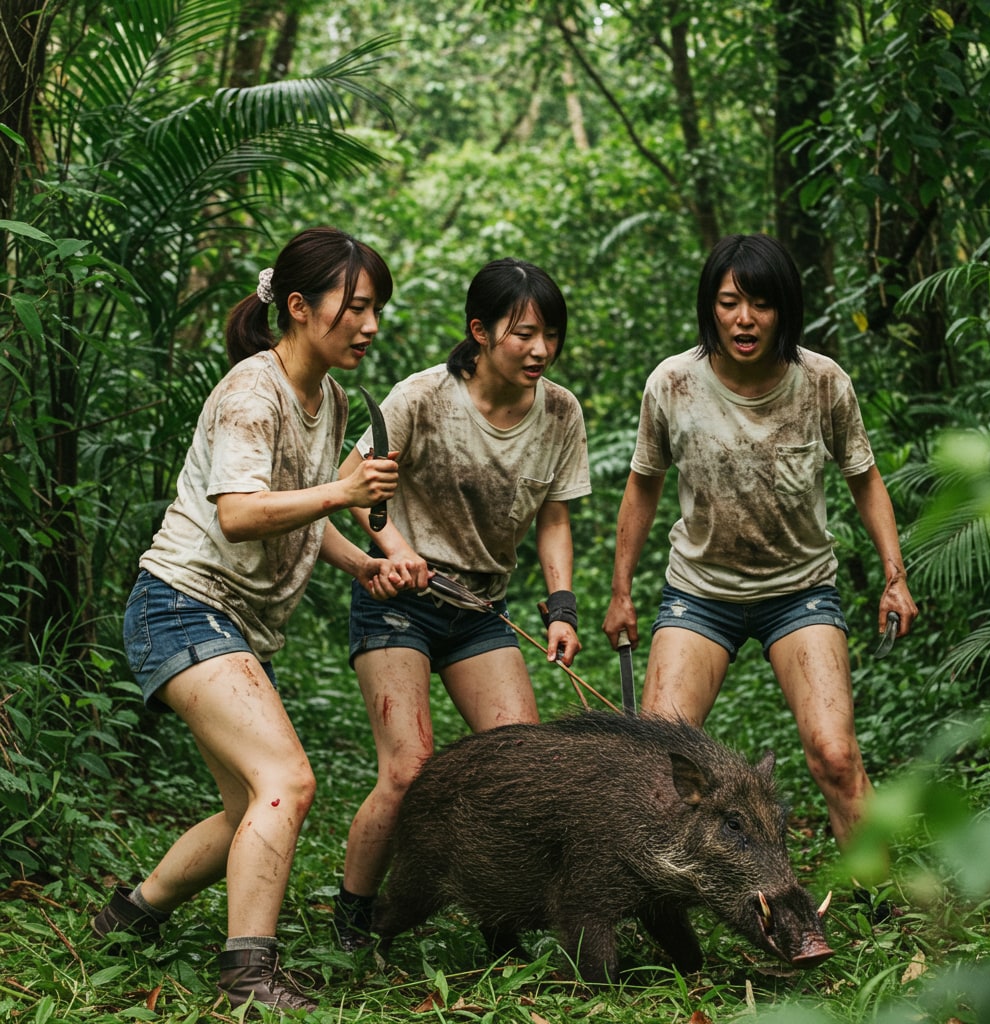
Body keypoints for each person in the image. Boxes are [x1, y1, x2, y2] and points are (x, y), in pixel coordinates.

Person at [90, 227, 406, 1013]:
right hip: (181, 605)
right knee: (287, 781)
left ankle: (128, 914)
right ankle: (248, 974)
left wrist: (362, 561)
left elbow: (295, 511)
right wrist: (343, 492)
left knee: (246, 810)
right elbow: (238, 514)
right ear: (298, 308)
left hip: (225, 624)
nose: (370, 327)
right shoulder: (250, 392)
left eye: (377, 311)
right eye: (355, 308)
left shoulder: (327, 397)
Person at [602, 233, 918, 854]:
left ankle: (881, 894)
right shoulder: (673, 383)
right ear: (709, 308)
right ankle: (663, 911)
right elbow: (643, 486)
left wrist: (894, 576)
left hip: (800, 592)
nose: (744, 319)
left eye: (761, 304)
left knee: (833, 753)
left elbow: (865, 478)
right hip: (700, 593)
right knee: (658, 770)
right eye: (728, 303)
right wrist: (621, 594)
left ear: (784, 311)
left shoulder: (823, 382)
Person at [332, 257, 591, 949]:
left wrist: (561, 606)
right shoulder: (421, 397)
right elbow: (356, 492)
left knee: (525, 773)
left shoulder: (561, 411)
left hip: (482, 610)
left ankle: (499, 918)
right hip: (400, 602)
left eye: (551, 335)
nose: (540, 350)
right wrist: (398, 552)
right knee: (409, 768)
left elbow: (555, 518)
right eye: (523, 334)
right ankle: (355, 914)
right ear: (480, 332)